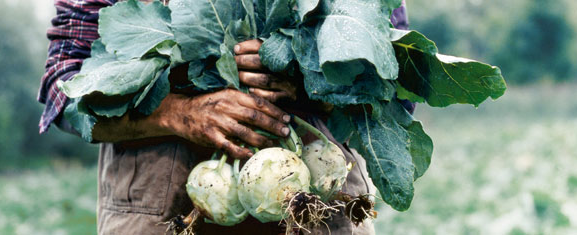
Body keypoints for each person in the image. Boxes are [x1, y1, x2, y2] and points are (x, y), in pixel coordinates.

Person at [37, 0, 411, 234]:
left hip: (318, 208)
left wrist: (312, 70)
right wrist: (177, 113)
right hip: (161, 213)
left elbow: (397, 78)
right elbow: (64, 88)